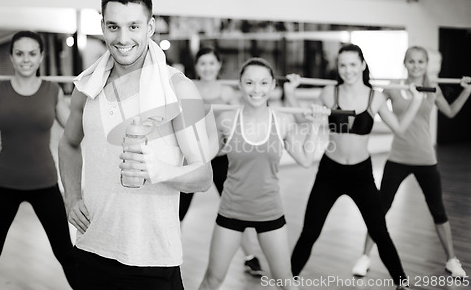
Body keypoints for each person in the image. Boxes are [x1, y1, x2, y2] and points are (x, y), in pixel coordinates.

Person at [58, 0, 217, 290]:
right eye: (113, 26)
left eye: (134, 26)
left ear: (151, 27)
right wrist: (72, 196)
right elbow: (68, 143)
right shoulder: (86, 88)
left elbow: (204, 175)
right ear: (102, 25)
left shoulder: (180, 88)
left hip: (152, 258)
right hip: (91, 247)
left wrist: (158, 171)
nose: (123, 38)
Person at [289, 43, 424, 290]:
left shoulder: (376, 96)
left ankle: (402, 282)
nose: (348, 70)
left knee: (380, 232)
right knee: (310, 232)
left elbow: (400, 128)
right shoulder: (330, 93)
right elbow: (301, 119)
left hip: (361, 175)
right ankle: (287, 280)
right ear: (338, 67)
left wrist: (416, 100)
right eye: (343, 65)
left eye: (353, 64)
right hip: (330, 172)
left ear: (362, 65)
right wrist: (291, 92)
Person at [198, 58, 328, 290]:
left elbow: (306, 160)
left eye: (263, 83)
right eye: (249, 82)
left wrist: (316, 125)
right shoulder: (226, 120)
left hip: (269, 211)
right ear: (240, 85)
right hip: (231, 210)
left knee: (285, 282)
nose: (256, 89)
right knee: (212, 279)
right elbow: (203, 156)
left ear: (271, 87)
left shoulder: (282, 122)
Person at [351, 46, 471, 278]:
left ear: (426, 64)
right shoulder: (394, 87)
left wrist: (467, 91)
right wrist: (358, 86)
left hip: (426, 158)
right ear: (405, 64)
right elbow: (371, 104)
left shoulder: (432, 89)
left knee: (438, 210)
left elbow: (451, 112)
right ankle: (365, 257)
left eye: (420, 62)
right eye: (412, 61)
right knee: (380, 208)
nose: (416, 66)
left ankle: (451, 260)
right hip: (398, 157)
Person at [0, 31, 76, 289]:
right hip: (5, 183)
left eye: (32, 53)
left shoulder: (52, 91)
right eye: (19, 53)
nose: (25, 60)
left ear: (41, 57)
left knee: (66, 254)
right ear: (12, 57)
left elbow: (75, 131)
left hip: (45, 183)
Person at [179, 47, 264, 276]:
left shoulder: (227, 93)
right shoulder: (188, 88)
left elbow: (238, 121)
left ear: (218, 66)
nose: (207, 68)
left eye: (211, 63)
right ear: (196, 67)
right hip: (193, 158)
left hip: (220, 158)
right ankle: (167, 253)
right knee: (177, 209)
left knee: (234, 207)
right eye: (202, 63)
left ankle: (250, 256)